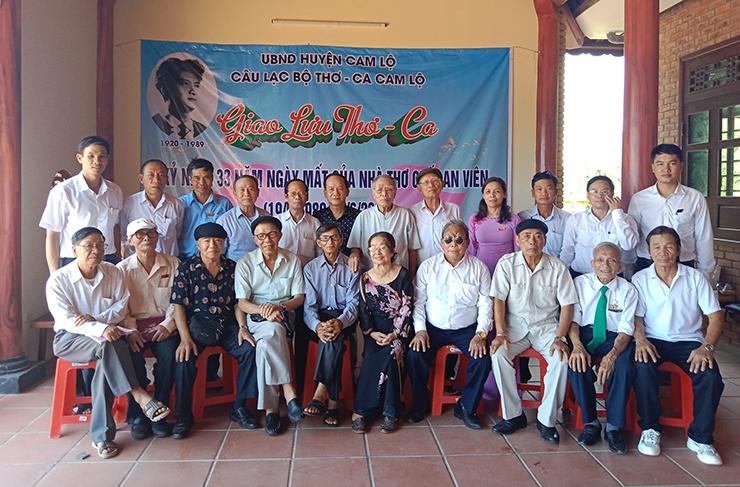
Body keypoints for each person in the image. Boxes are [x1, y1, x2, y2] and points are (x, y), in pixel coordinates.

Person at [46, 227, 169, 459]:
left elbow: (121, 307)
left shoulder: (112, 272)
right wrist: (101, 327)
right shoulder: (59, 280)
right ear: (74, 250)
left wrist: (95, 320)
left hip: (107, 338)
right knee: (109, 344)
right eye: (88, 246)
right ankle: (139, 393)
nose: (95, 250)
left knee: (107, 353)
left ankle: (102, 437)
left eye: (100, 245)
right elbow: (67, 320)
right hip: (70, 339)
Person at [632, 226, 725, 466]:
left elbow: (715, 316)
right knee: (642, 369)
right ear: (649, 251)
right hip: (653, 339)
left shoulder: (695, 278)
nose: (662, 252)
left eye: (668, 246)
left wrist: (707, 346)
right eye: (656, 247)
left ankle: (700, 438)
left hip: (689, 341)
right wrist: (640, 339)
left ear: (678, 250)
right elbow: (637, 317)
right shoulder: (640, 279)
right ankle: (650, 429)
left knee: (710, 376)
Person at [489, 219, 577, 443]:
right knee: (498, 355)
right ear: (517, 241)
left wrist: (560, 337)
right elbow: (498, 300)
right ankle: (513, 416)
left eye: (538, 236)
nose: (532, 241)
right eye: (526, 236)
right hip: (514, 327)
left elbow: (567, 305)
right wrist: (500, 333)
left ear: (545, 240)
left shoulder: (557, 267)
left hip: (546, 328)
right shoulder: (507, 264)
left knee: (560, 359)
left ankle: (546, 420)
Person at [170, 223, 259, 440]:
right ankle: (183, 416)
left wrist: (243, 328)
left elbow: (238, 302)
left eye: (218, 241)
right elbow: (178, 305)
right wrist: (184, 338)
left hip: (227, 324)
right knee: (183, 358)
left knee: (250, 350)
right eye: (207, 241)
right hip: (197, 325)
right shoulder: (186, 268)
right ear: (197, 244)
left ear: (224, 244)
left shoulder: (233, 267)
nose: (212, 245)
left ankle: (240, 406)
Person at [406, 220, 492, 428]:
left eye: (459, 239)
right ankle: (420, 403)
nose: (454, 244)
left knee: (482, 360)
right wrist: (420, 331)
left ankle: (466, 407)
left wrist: (480, 334)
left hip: (467, 330)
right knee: (414, 355)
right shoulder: (428, 267)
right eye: (449, 239)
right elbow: (419, 302)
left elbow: (485, 304)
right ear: (441, 242)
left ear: (468, 242)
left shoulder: (479, 268)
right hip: (433, 328)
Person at [235, 216, 306, 435]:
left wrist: (279, 307)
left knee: (267, 342)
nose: (267, 240)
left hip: (284, 314)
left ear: (280, 235)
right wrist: (263, 310)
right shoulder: (245, 263)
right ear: (254, 239)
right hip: (256, 316)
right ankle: (289, 392)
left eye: (272, 234)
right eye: (261, 236)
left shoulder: (292, 259)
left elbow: (299, 297)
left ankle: (271, 410)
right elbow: (242, 302)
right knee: (269, 337)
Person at [567, 242, 638, 454]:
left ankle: (614, 427)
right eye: (600, 260)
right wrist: (577, 346)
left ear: (620, 266)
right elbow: (573, 321)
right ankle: (591, 423)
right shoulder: (580, 283)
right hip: (585, 334)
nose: (605, 265)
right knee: (576, 364)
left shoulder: (628, 290)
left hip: (616, 338)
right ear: (592, 263)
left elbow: (626, 328)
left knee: (624, 367)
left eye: (611, 260)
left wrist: (612, 355)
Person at [117, 218, 180, 439]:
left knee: (169, 356)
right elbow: (119, 306)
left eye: (151, 233)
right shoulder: (121, 270)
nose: (146, 238)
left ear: (157, 236)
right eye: (140, 234)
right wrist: (131, 329)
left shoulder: (173, 263)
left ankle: (160, 409)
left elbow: (179, 300)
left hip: (164, 325)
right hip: (134, 326)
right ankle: (138, 414)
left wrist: (168, 324)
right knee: (130, 358)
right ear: (130, 240)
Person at [351, 232, 413, 434]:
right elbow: (363, 311)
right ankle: (362, 410)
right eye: (372, 247)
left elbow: (407, 307)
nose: (377, 252)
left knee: (392, 352)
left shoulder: (403, 274)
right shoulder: (365, 278)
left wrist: (395, 333)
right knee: (371, 357)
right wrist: (371, 333)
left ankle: (390, 411)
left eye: (382, 247)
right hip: (375, 332)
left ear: (393, 251)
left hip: (398, 330)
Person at [302, 223, 360, 426]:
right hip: (320, 317)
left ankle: (320, 392)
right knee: (331, 339)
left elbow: (353, 305)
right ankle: (333, 406)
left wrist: (340, 322)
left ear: (341, 240)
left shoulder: (352, 267)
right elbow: (309, 306)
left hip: (344, 318)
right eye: (325, 238)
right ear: (318, 243)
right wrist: (318, 326)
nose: (330, 242)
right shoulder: (310, 269)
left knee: (334, 336)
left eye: (335, 237)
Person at [628, 144, 715, 276]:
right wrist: (628, 267)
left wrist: (706, 271)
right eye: (660, 164)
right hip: (646, 264)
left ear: (681, 166)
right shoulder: (639, 199)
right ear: (653, 167)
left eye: (672, 163)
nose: (666, 169)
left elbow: (704, 236)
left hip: (684, 263)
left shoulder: (695, 198)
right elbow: (631, 235)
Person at [40, 136, 123, 273]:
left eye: (102, 156)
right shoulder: (63, 191)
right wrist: (54, 274)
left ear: (107, 159)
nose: (97, 161)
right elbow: (52, 235)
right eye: (91, 156)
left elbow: (115, 228)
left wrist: (118, 259)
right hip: (75, 260)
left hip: (108, 259)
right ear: (80, 158)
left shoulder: (115, 191)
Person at [560, 175, 639, 278]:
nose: (599, 196)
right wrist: (561, 274)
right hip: (581, 276)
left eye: (604, 192)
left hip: (613, 276)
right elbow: (567, 250)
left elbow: (628, 245)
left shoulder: (625, 219)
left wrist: (617, 215)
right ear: (587, 195)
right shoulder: (575, 220)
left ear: (612, 194)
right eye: (594, 191)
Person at [347, 175, 421, 273]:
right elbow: (355, 247)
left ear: (395, 193)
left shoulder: (405, 215)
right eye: (379, 190)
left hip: (399, 273)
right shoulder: (363, 216)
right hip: (371, 273)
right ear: (373, 193)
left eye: (389, 190)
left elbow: (412, 249)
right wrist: (354, 254)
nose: (384, 194)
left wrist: (411, 275)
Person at [121, 159, 184, 256]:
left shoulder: (176, 205)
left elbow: (178, 234)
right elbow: (124, 235)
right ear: (141, 179)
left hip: (168, 262)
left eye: (161, 175)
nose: (156, 180)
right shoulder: (130, 203)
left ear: (167, 179)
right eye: (151, 175)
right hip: (138, 262)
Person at [178, 158, 233, 259]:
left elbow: (229, 235)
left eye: (206, 177)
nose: (202, 182)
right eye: (197, 178)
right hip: (186, 259)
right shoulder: (180, 203)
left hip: (216, 259)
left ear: (212, 179)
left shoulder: (224, 203)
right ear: (190, 180)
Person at [468, 176, 521, 275]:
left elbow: (518, 249)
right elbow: (471, 247)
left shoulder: (514, 219)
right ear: (483, 195)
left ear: (504, 194)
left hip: (507, 271)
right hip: (480, 271)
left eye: (497, 191)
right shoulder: (474, 219)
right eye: (488, 192)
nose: (492, 195)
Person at [410, 168, 462, 264]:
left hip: (448, 266)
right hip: (422, 266)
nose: (431, 185)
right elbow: (412, 246)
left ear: (442, 184)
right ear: (419, 188)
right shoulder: (412, 212)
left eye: (435, 181)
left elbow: (460, 240)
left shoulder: (454, 209)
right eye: (426, 182)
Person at [518, 171, 571, 258]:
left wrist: (559, 266)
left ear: (556, 192)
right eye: (539, 189)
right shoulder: (523, 217)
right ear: (533, 193)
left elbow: (569, 250)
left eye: (549, 189)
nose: (544, 193)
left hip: (558, 265)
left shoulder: (568, 219)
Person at [216, 174, 269, 261]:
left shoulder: (267, 216)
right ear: (235, 194)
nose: (246, 194)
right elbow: (219, 253)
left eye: (251, 189)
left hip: (264, 267)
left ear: (258, 192)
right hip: (235, 268)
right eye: (242, 190)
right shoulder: (224, 221)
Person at [152, 57, 208, 139]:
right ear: (166, 88)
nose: (193, 91)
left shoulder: (203, 130)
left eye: (196, 85)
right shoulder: (156, 123)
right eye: (185, 83)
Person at [314, 172, 361, 257]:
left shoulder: (359, 216)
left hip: (351, 263)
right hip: (324, 264)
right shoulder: (317, 217)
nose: (335, 193)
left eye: (340, 189)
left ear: (347, 191)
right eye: (331, 189)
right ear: (325, 193)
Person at [277, 178, 321, 267]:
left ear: (307, 197)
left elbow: (319, 253)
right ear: (286, 197)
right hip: (282, 272)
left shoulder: (315, 223)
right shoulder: (277, 222)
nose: (297, 197)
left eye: (301, 193)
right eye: (293, 193)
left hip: (307, 272)